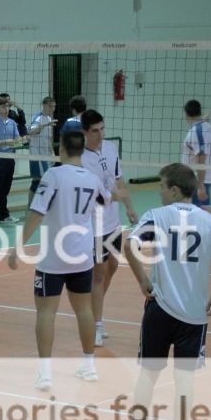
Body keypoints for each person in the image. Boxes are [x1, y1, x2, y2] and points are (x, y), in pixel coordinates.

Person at [123, 162, 211, 420]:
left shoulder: (156, 216)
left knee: (148, 374)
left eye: (161, 186)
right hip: (194, 315)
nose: (159, 191)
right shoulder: (210, 221)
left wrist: (143, 280)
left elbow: (130, 243)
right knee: (184, 378)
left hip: (160, 309)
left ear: (174, 189)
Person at [7, 131, 126, 390]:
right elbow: (109, 199)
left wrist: (17, 247)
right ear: (82, 150)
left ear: (60, 148)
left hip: (54, 257)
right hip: (82, 256)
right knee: (83, 310)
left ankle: (46, 374)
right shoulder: (92, 179)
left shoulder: (54, 176)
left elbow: (36, 213)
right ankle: (89, 366)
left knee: (46, 311)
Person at [81, 110, 137, 347]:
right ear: (85, 132)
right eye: (95, 130)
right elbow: (92, 194)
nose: (100, 134)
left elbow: (119, 179)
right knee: (99, 271)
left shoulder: (111, 149)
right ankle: (96, 323)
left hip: (113, 220)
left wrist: (129, 207)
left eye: (102, 129)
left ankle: (94, 311)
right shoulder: (81, 158)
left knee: (112, 266)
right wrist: (111, 196)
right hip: (95, 223)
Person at [0, 96, 27, 224]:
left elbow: (18, 139)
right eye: (3, 107)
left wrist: (23, 139)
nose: (6, 109)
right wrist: (5, 142)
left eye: (7, 106)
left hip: (10, 159)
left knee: (5, 189)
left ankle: (4, 216)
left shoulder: (12, 123)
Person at [181, 100, 211, 213]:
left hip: (197, 179)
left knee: (203, 213)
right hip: (196, 178)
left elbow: (201, 158)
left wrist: (200, 186)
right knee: (199, 211)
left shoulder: (196, 132)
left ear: (186, 114)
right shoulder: (206, 126)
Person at [27, 96, 57, 204]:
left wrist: (52, 152)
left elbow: (48, 139)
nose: (53, 109)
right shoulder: (38, 118)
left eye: (54, 107)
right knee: (41, 180)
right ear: (44, 105)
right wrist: (44, 125)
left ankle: (33, 205)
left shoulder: (49, 119)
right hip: (37, 155)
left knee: (38, 181)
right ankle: (36, 205)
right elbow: (30, 132)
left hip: (46, 155)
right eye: (51, 106)